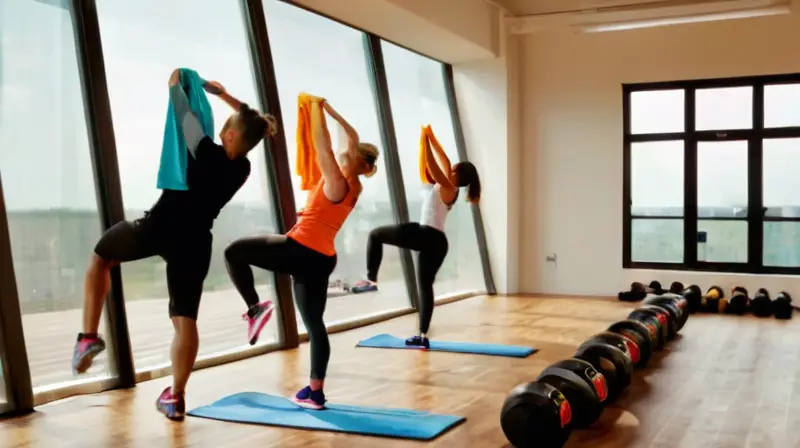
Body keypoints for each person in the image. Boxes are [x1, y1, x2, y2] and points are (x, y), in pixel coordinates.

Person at [71, 68, 277, 421]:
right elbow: (253, 123)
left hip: (160, 226)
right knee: (185, 322)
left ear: (227, 133)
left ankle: (89, 336)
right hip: (196, 243)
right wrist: (222, 95)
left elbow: (183, 114)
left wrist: (175, 85)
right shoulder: (240, 169)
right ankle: (175, 396)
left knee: (101, 257)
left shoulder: (204, 153)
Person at [224, 95, 378, 411]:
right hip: (321, 258)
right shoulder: (354, 185)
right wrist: (329, 109)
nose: (337, 152)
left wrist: (316, 113)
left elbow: (322, 145)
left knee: (233, 252)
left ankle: (255, 308)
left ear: (349, 158)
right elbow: (349, 139)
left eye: (344, 152)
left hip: (301, 250)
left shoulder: (337, 181)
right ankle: (315, 392)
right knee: (315, 324)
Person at [350, 127, 481, 349]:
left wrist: (425, 142)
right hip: (436, 242)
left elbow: (433, 164)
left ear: (456, 174)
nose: (450, 167)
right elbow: (444, 159)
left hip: (426, 235)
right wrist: (430, 136)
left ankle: (371, 281)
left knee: (376, 234)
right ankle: (421, 335)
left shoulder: (448, 185)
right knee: (425, 287)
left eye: (454, 168)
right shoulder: (451, 187)